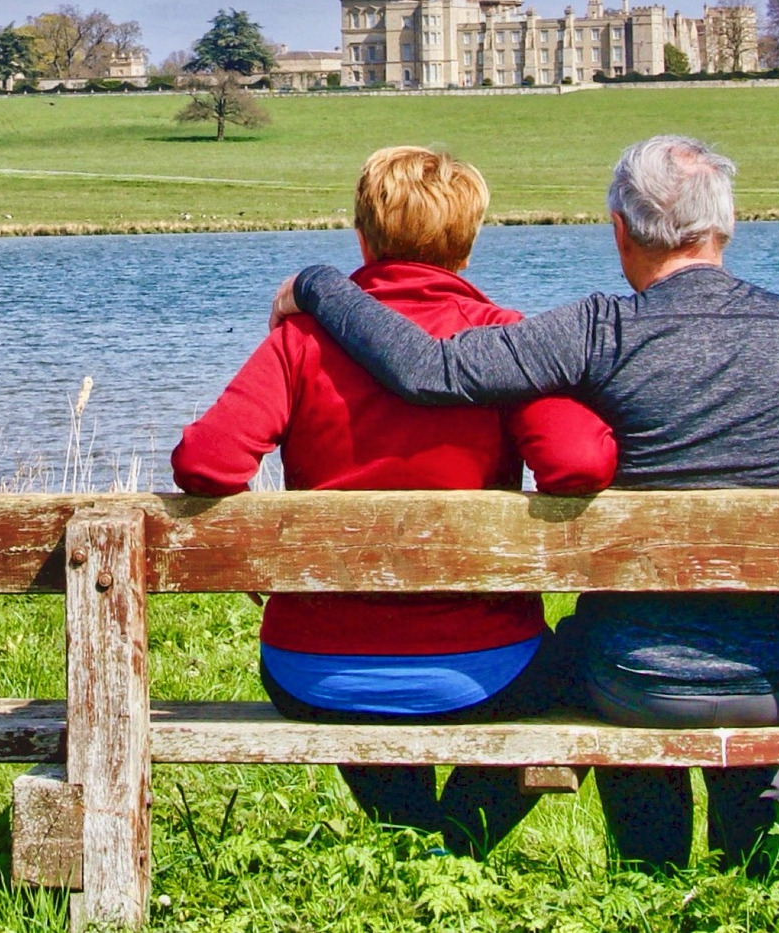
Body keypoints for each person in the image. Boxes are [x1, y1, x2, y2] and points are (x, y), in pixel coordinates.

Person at [269, 134, 779, 873]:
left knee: (595, 645)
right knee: (744, 658)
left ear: (618, 229)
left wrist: (320, 283)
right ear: (723, 227)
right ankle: (759, 873)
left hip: (630, 678)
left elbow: (428, 368)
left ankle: (648, 875)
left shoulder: (597, 331)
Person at [172, 145, 617, 858]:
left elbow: (205, 461)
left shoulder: (301, 342)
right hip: (484, 664)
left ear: (362, 237)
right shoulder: (502, 337)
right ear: (467, 246)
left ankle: (416, 847)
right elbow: (576, 461)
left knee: (376, 685)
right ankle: (449, 853)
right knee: (591, 669)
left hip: (312, 667)